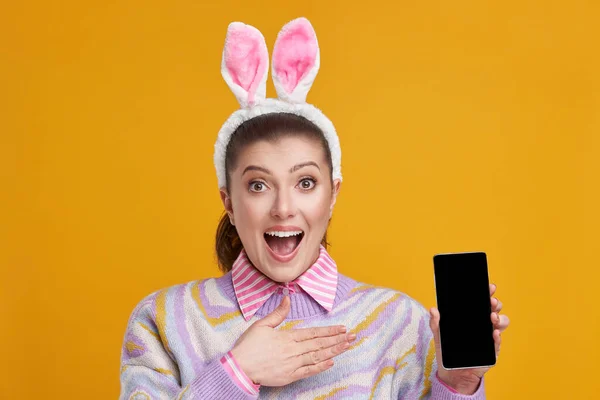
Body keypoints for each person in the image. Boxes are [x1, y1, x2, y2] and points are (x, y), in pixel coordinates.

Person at [119, 17, 510, 399]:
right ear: (229, 203)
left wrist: (458, 387)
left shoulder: (399, 323)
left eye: (305, 182)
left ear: (332, 194)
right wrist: (237, 373)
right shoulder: (164, 321)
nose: (283, 207)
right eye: (258, 185)